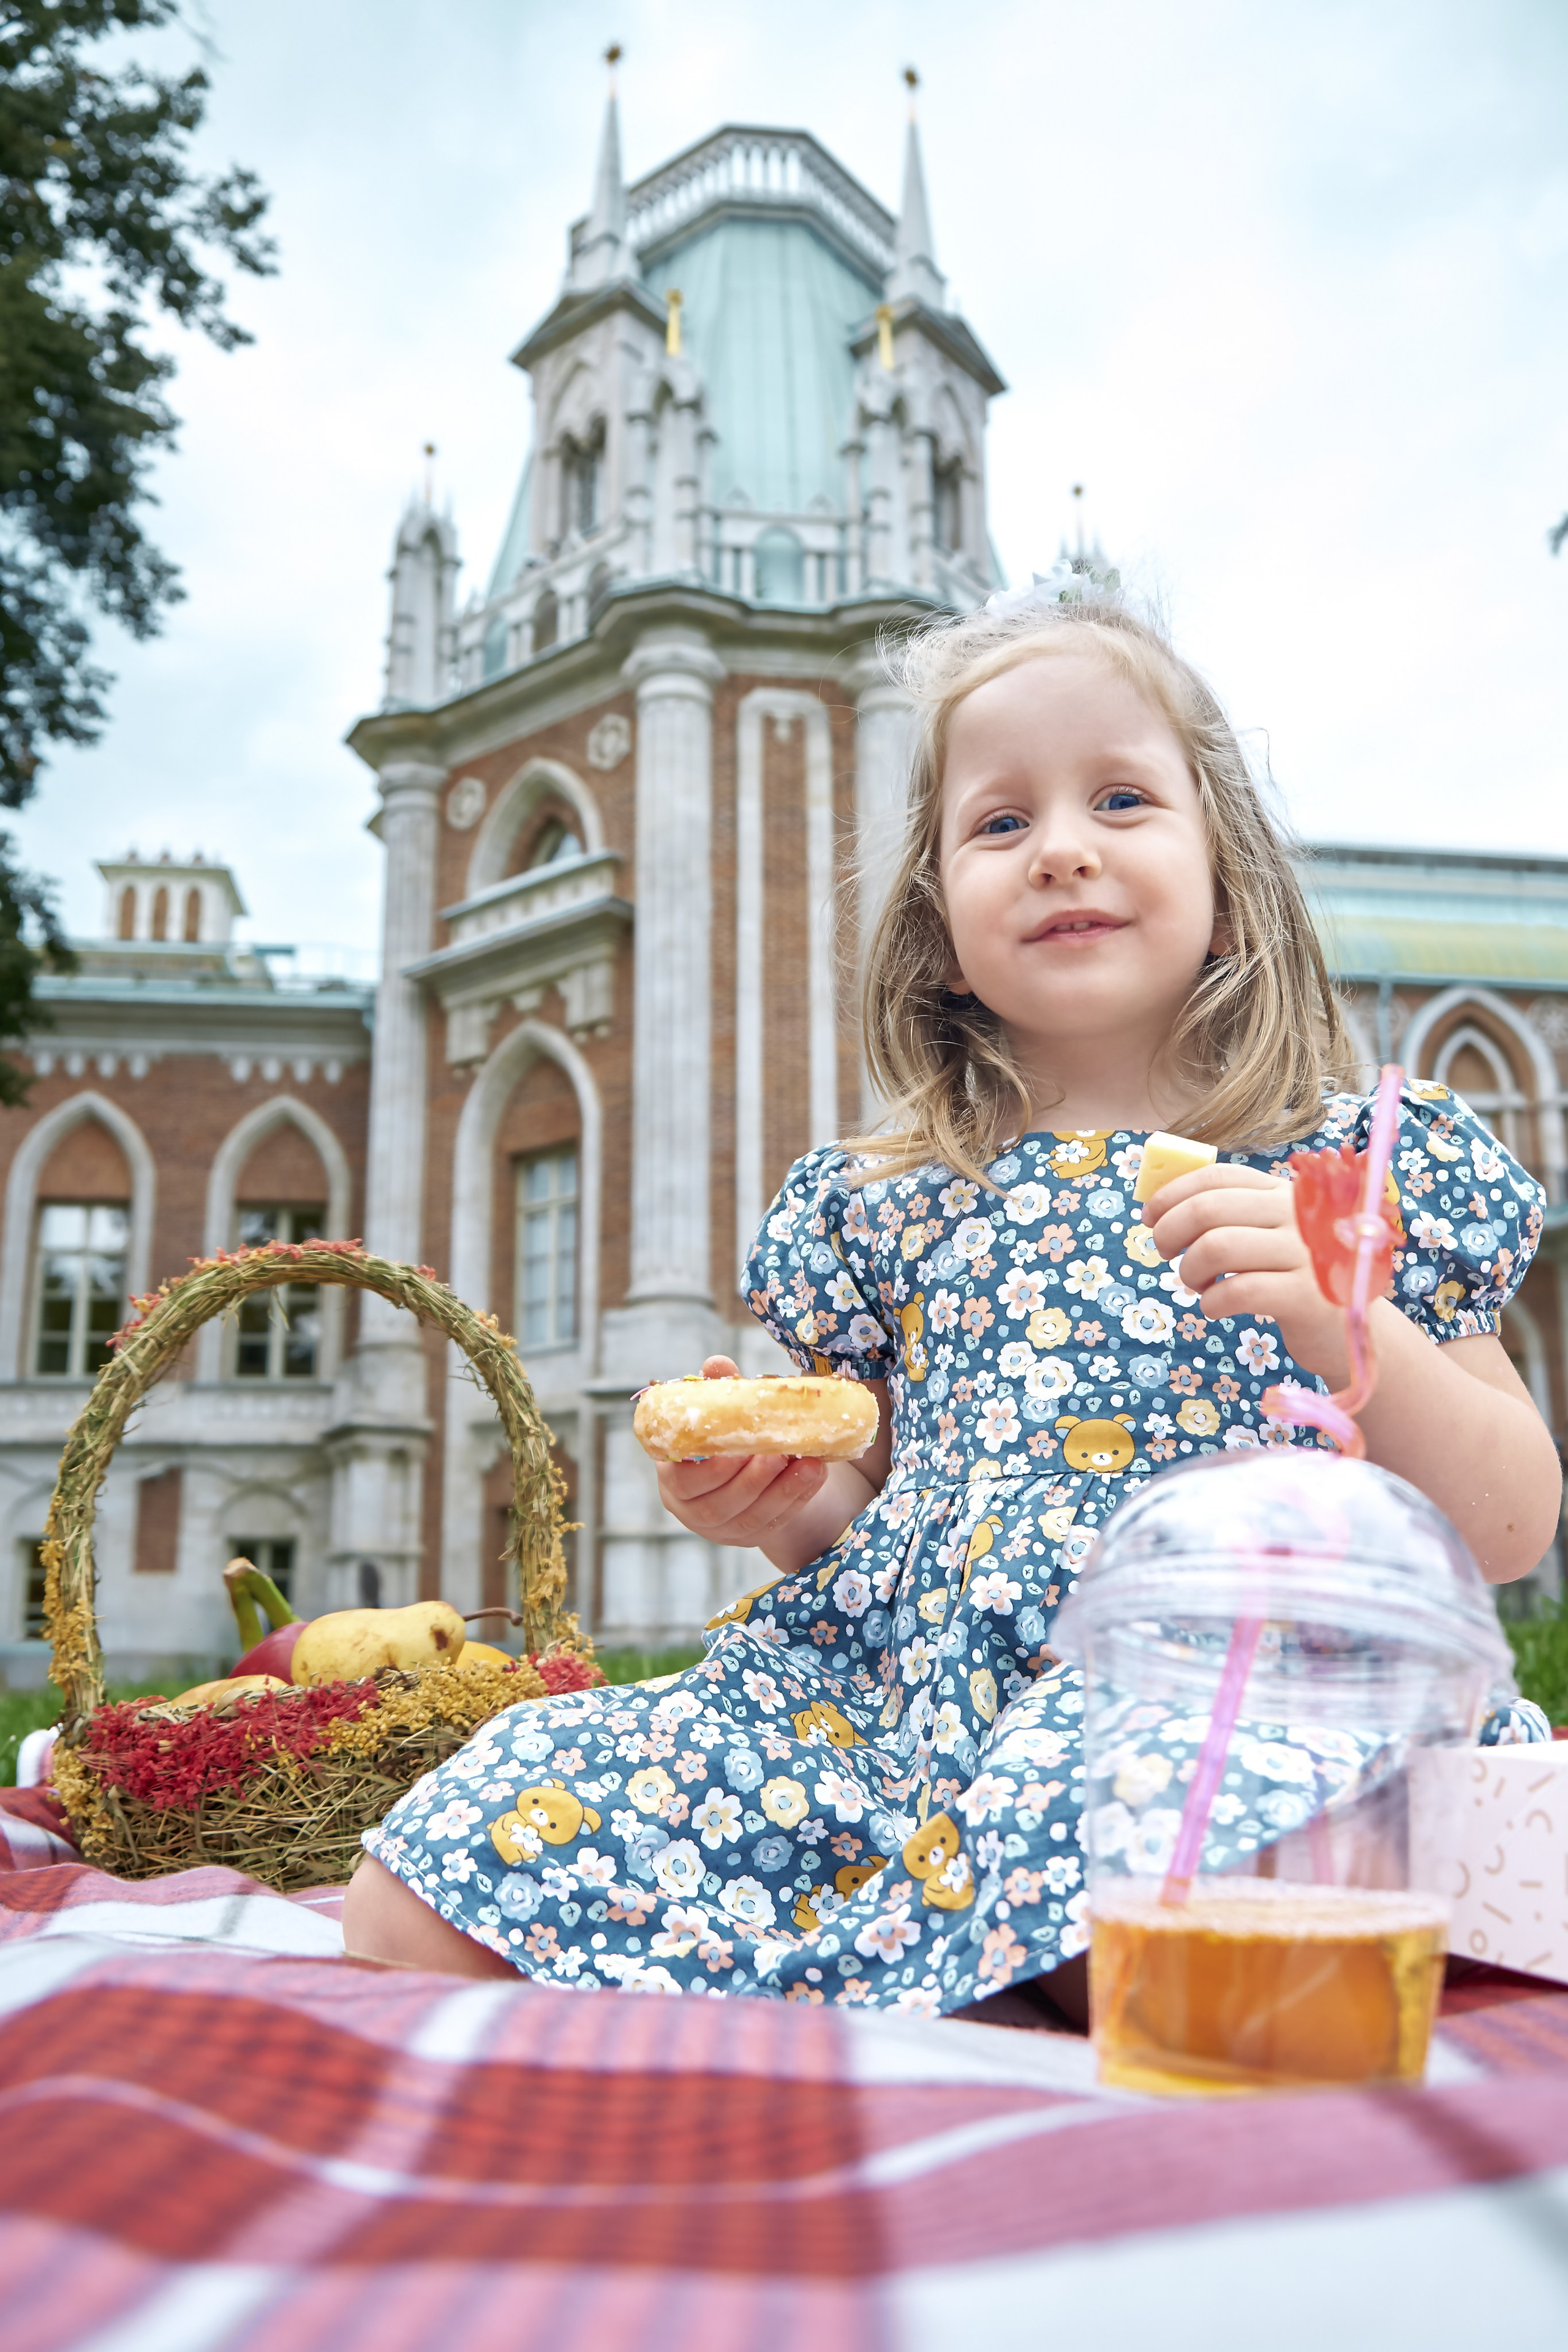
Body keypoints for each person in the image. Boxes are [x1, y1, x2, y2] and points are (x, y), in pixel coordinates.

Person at [344, 587, 1559, 2019]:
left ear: (1228, 875)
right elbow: (865, 1536)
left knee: (1132, 1865)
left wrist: (1337, 1318)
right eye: (998, 822)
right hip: (896, 1737)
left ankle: (1006, 1967)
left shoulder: (1355, 1172)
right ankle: (970, 1970)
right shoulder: (886, 1205)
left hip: (1224, 1716)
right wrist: (773, 1500)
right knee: (436, 1875)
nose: (1060, 848)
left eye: (1119, 799)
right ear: (933, 925)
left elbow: (1505, 1524)